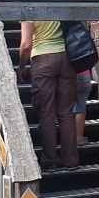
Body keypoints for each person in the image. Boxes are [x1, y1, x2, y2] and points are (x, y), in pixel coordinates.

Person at [18, 21, 78, 170]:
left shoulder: (28, 9)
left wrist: (21, 66)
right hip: (67, 58)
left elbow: (26, 43)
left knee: (47, 114)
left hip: (43, 60)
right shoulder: (56, 1)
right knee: (66, 113)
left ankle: (50, 161)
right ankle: (71, 161)